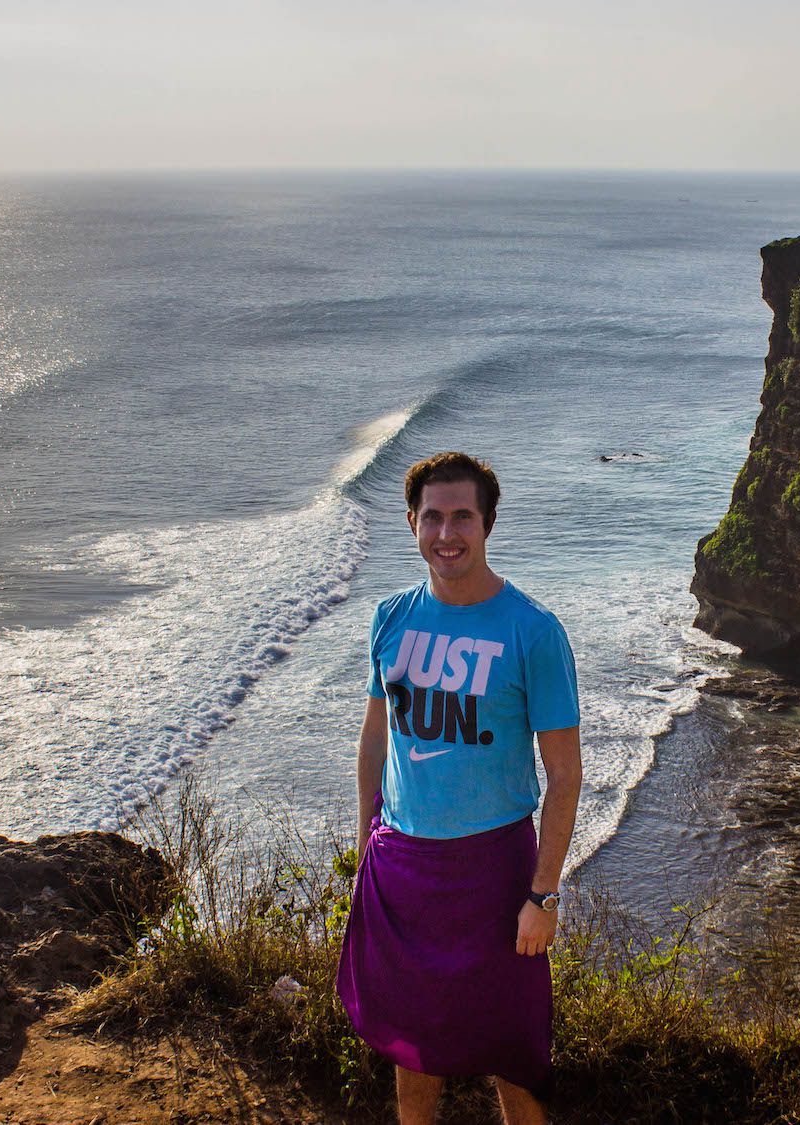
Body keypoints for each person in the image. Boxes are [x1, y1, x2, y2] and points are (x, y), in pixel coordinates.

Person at [336, 451, 582, 1125]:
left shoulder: (532, 631)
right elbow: (374, 736)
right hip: (404, 866)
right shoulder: (390, 617)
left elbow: (564, 774)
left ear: (488, 523)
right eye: (434, 516)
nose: (448, 533)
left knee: (515, 1054)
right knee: (412, 1050)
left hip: (496, 872)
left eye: (463, 517)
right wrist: (367, 843)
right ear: (411, 521)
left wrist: (544, 891)